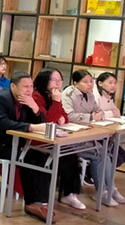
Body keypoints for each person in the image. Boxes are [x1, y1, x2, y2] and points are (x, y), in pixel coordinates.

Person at [0, 71, 51, 222]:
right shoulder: (1, 99)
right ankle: (32, 203)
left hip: (12, 143)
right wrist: (31, 127)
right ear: (13, 86)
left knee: (41, 157)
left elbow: (40, 121)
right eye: (25, 87)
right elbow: (4, 123)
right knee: (28, 160)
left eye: (31, 86)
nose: (29, 90)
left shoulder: (26, 100)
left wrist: (35, 108)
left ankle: (39, 202)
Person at [62, 70, 125, 206]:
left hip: (85, 133)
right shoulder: (68, 94)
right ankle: (102, 192)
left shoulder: (90, 94)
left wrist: (98, 115)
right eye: (85, 82)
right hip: (71, 136)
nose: (90, 84)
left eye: (91, 81)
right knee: (100, 153)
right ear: (75, 83)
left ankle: (109, 189)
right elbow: (69, 115)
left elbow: (98, 111)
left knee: (105, 152)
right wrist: (91, 117)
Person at [32, 68, 86, 210]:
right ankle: (42, 200)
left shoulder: (53, 95)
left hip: (53, 138)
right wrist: (56, 102)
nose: (58, 83)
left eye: (60, 80)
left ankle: (68, 194)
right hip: (37, 140)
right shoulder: (36, 96)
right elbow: (47, 121)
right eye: (54, 80)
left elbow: (64, 117)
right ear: (44, 80)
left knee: (71, 155)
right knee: (56, 158)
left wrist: (59, 113)